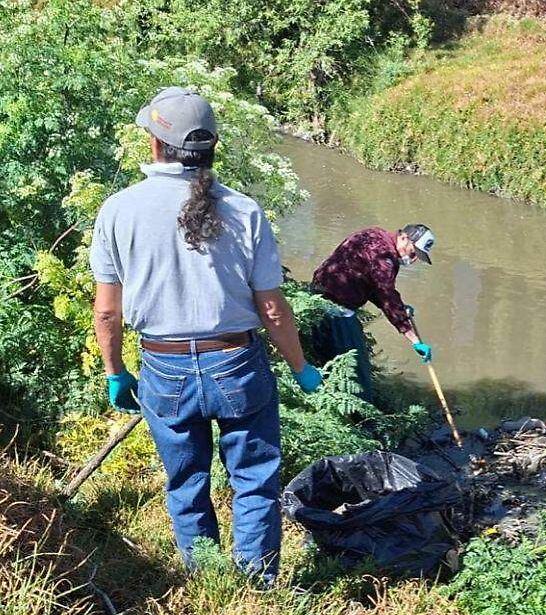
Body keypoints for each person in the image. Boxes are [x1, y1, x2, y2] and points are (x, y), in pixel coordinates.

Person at [89, 87, 323, 583]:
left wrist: (116, 372)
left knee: (186, 481)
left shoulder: (118, 210)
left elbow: (107, 311)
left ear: (155, 144)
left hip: (163, 366)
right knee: (254, 480)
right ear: (211, 147)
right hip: (237, 363)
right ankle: (257, 584)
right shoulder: (244, 210)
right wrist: (301, 367)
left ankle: (208, 580)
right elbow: (272, 308)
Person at [309, 224, 436, 397]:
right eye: (413, 253)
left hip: (317, 295)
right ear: (404, 238)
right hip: (336, 308)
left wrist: (400, 307)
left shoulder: (374, 234)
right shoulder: (385, 259)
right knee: (356, 372)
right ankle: (360, 411)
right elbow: (386, 296)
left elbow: (373, 286)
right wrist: (414, 340)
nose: (413, 260)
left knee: (328, 359)